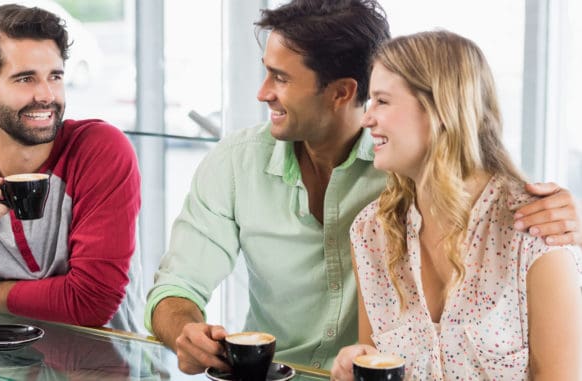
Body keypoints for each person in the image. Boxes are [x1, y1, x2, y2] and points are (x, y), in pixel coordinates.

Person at [146, 0, 582, 373]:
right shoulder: (367, 222)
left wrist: (564, 218)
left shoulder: (417, 177)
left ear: (341, 92)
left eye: (280, 78)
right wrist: (185, 331)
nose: (262, 93)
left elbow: (479, 185)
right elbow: (176, 284)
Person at [331, 31, 582, 380]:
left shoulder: (534, 235)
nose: (365, 119)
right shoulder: (371, 233)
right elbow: (375, 365)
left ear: (441, 109)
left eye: (382, 101)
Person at [0, 4, 144, 332]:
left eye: (55, 77)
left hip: (103, 362)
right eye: (25, 78)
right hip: (6, 361)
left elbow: (91, 302)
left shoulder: (99, 150)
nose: (46, 95)